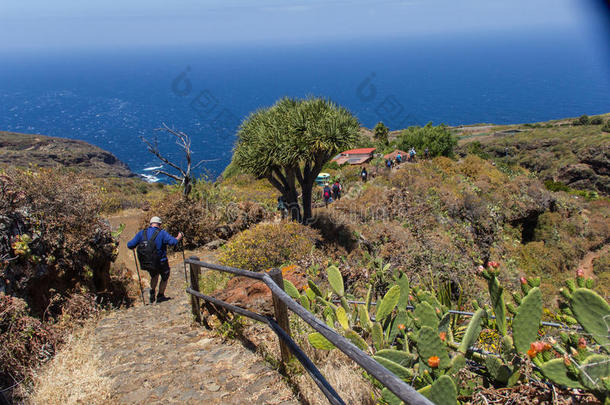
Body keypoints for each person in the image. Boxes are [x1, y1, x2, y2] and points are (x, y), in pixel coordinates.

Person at [128, 216, 183, 303]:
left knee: (154, 275)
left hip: (148, 262)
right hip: (161, 261)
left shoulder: (142, 233)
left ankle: (152, 291)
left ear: (150, 224)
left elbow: (130, 245)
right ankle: (160, 295)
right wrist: (179, 236)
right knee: (165, 276)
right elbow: (173, 242)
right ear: (159, 224)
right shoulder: (162, 233)